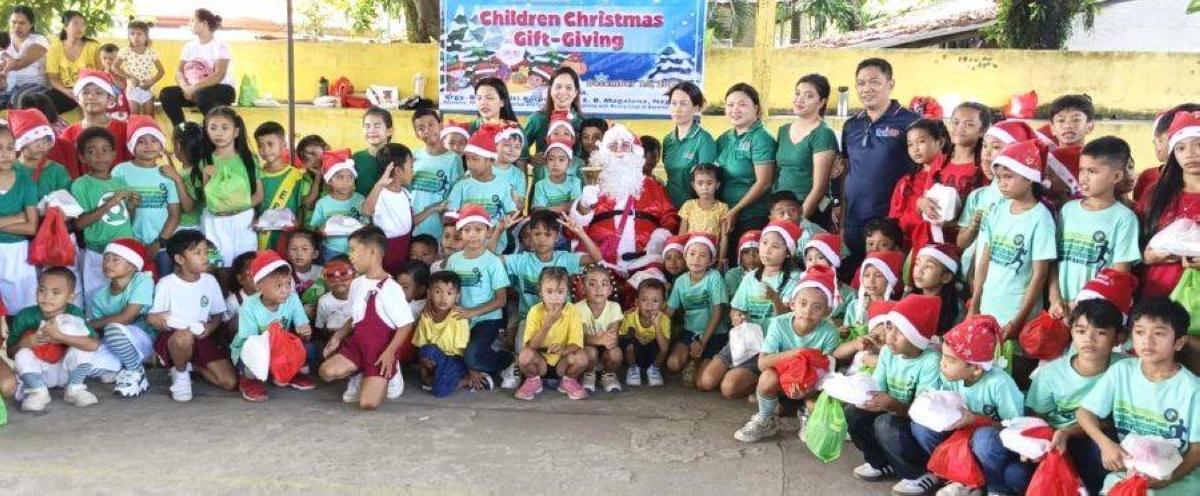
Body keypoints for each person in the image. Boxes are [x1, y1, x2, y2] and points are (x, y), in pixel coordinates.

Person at [1077, 298, 1199, 495]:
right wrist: (1105, 443)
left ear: (1179, 342)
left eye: (1158, 333)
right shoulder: (1121, 372)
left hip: (1179, 476)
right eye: (1140, 332)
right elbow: (1085, 413)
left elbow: (1196, 452)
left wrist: (1168, 478)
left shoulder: (1193, 390)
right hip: (1131, 471)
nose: (1147, 341)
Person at [910, 315, 1028, 496]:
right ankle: (961, 478)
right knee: (921, 427)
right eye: (943, 356)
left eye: (950, 360)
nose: (942, 364)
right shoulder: (949, 376)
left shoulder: (999, 384)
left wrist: (977, 420)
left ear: (976, 368)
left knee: (984, 439)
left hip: (993, 444)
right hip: (962, 438)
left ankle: (996, 488)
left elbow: (1014, 426)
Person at [1025, 297, 1128, 495]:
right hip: (1055, 440)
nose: (1088, 339)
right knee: (1018, 474)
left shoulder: (1125, 369)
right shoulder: (1051, 373)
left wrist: (1070, 432)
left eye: (1100, 332)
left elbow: (1114, 420)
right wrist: (1046, 444)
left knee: (1100, 449)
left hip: (1095, 441)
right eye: (1081, 331)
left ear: (1119, 338)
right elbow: (1038, 417)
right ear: (1071, 331)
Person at [844, 294, 941, 494]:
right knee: (854, 413)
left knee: (884, 423)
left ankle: (920, 473)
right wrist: (866, 398)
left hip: (916, 424)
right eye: (889, 327)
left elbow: (923, 414)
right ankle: (880, 462)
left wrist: (892, 404)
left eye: (901, 331)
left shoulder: (930, 361)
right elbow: (877, 386)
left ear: (917, 336)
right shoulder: (888, 353)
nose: (890, 336)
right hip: (894, 413)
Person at [733, 266, 841, 443]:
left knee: (827, 392)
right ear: (792, 304)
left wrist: (806, 385)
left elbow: (828, 371)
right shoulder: (779, 324)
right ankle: (766, 419)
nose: (807, 311)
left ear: (827, 312)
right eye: (803, 304)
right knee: (767, 377)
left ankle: (806, 413)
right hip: (783, 381)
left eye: (817, 307)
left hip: (811, 384)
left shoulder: (830, 332)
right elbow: (762, 363)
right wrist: (797, 353)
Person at [319, 227, 416, 410]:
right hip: (358, 345)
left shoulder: (391, 288)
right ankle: (359, 372)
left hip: (380, 351)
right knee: (326, 372)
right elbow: (355, 317)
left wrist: (389, 353)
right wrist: (338, 336)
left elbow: (406, 325)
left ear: (372, 251)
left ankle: (392, 374)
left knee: (368, 404)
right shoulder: (357, 284)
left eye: (354, 250)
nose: (351, 256)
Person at [970, 140, 1057, 340]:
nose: (1002, 183)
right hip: (988, 305)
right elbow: (984, 262)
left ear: (1029, 178)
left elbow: (1039, 275)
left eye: (1008, 177)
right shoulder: (998, 211)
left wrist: (1018, 321)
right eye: (999, 177)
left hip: (1017, 312)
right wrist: (975, 303)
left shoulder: (1041, 218)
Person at [840, 58, 920, 272]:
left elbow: (926, 168)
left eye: (874, 82)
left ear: (890, 84)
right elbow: (848, 171)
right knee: (855, 279)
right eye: (861, 83)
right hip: (854, 222)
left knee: (885, 282)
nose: (867, 88)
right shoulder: (852, 125)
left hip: (890, 223)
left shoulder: (910, 122)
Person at [1048, 136, 1141, 318]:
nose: (1083, 177)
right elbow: (1053, 260)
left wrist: (1079, 303)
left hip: (1097, 313)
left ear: (1116, 176)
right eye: (1081, 170)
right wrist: (1054, 298)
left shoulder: (1125, 219)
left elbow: (1119, 275)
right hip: (1061, 310)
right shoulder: (1068, 210)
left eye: (1092, 171)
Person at [569, 124, 679, 275]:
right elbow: (574, 231)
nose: (619, 150)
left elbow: (669, 216)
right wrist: (584, 205)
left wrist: (661, 235)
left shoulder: (653, 186)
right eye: (613, 146)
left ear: (635, 152)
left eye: (625, 145)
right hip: (599, 261)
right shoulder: (594, 184)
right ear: (604, 153)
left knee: (651, 288)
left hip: (645, 262)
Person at [145, 230, 238, 402]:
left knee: (229, 382)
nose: (204, 257)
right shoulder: (167, 284)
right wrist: (155, 319)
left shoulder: (209, 281)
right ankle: (181, 377)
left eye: (205, 252)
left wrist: (210, 328)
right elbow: (152, 316)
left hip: (201, 336)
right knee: (183, 337)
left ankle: (190, 364)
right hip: (174, 337)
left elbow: (217, 315)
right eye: (197, 253)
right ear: (179, 259)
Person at [956, 120, 1037, 286]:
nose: (986, 153)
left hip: (1003, 283)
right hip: (970, 278)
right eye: (985, 146)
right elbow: (962, 243)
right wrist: (972, 228)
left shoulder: (1023, 201)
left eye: (996, 147)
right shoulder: (980, 195)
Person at [7, 267, 98, 411]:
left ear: (70, 297)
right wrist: (25, 343)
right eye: (42, 290)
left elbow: (93, 345)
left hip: (66, 372)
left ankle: (74, 389)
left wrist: (60, 336)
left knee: (83, 346)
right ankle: (38, 393)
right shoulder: (26, 315)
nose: (47, 297)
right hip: (39, 374)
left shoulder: (75, 313)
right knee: (22, 353)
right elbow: (10, 352)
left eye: (56, 293)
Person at [231, 251, 315, 402]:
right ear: (259, 287)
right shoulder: (249, 306)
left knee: (308, 348)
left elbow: (304, 332)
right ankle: (249, 380)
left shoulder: (293, 300)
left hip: (281, 347)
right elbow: (250, 343)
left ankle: (288, 374)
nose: (285, 290)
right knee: (250, 356)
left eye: (288, 283)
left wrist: (304, 331)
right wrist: (269, 332)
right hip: (255, 348)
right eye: (278, 285)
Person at [444, 204, 511, 390]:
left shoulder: (493, 262)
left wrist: (472, 312)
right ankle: (475, 368)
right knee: (448, 349)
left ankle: (509, 360)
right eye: (467, 230)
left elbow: (501, 300)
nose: (472, 234)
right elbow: (447, 290)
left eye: (478, 229)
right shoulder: (454, 260)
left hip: (487, 319)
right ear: (461, 233)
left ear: (488, 232)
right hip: (460, 318)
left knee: (472, 355)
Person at [1138, 110, 1200, 299]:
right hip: (1158, 301)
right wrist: (1146, 257)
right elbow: (1134, 243)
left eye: (1198, 145)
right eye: (1180, 148)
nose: (1189, 154)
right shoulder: (1154, 193)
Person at [71, 127, 135, 308]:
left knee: (122, 298)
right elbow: (79, 223)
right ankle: (96, 333)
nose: (100, 155)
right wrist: (109, 204)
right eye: (92, 151)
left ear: (114, 154)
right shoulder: (81, 185)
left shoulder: (120, 182)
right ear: (82, 157)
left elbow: (126, 218)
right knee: (96, 298)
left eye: (105, 150)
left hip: (124, 252)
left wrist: (132, 206)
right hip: (98, 253)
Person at [716, 83, 776, 263]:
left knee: (748, 267)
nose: (735, 109)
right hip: (726, 215)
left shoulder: (761, 138)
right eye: (730, 105)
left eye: (742, 104)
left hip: (752, 216)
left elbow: (764, 182)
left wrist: (736, 210)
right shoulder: (724, 138)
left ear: (756, 108)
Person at [195, 106, 261, 268]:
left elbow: (259, 195)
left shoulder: (249, 160)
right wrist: (205, 175)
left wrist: (237, 209)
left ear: (236, 132)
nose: (219, 133)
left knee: (246, 267)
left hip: (243, 221)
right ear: (206, 131)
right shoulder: (204, 161)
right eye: (213, 128)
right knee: (215, 266)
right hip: (214, 223)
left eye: (225, 128)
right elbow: (207, 199)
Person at [112, 115, 179, 268]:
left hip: (162, 245)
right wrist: (130, 207)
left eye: (154, 141)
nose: (148, 146)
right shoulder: (121, 171)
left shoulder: (166, 173)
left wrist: (160, 242)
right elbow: (115, 209)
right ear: (131, 146)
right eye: (141, 141)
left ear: (162, 145)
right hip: (130, 242)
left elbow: (174, 215)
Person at [515, 267, 590, 400]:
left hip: (563, 362)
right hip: (540, 363)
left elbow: (577, 343)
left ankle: (569, 380)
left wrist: (564, 349)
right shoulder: (534, 311)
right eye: (549, 292)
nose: (555, 297)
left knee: (582, 357)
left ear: (567, 292)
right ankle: (533, 381)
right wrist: (547, 325)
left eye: (560, 292)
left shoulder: (572, 311)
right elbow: (531, 346)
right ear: (540, 292)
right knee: (524, 356)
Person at [775, 74, 838, 230]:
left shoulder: (823, 134)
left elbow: (819, 188)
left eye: (809, 96)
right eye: (797, 93)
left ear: (821, 102)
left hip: (810, 209)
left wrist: (799, 221)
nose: (800, 99)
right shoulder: (783, 131)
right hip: (781, 208)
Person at [664, 234, 728, 388]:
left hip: (714, 334)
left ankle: (700, 362)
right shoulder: (680, 281)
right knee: (673, 364)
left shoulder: (714, 277)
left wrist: (702, 342)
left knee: (701, 383)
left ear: (711, 260)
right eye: (692, 254)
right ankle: (693, 360)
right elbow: (669, 311)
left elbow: (718, 313)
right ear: (685, 256)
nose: (696, 259)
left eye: (703, 255)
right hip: (691, 331)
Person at [447, 123, 519, 253]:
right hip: (466, 248)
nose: (470, 164)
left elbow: (511, 212)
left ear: (491, 161)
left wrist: (507, 221)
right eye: (468, 159)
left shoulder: (504, 185)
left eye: (475, 159)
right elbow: (450, 215)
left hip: (495, 246)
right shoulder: (462, 185)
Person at [159, 9, 235, 127]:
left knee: (202, 95)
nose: (189, 24)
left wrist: (194, 88)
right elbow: (179, 72)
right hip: (194, 91)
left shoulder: (221, 45)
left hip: (222, 90)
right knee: (167, 94)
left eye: (193, 20)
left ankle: (213, 130)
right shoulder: (189, 46)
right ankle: (182, 130)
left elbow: (219, 75)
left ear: (204, 23)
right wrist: (185, 88)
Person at [890, 118, 950, 261]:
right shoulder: (906, 183)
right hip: (913, 255)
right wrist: (917, 208)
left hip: (945, 255)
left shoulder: (952, 177)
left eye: (921, 141)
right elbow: (894, 225)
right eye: (910, 144)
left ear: (940, 142)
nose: (915, 148)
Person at [254, 121, 316, 251]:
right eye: (260, 145)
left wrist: (297, 224)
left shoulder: (296, 176)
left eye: (270, 144)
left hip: (288, 238)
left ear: (284, 145)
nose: (265, 150)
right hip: (262, 237)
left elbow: (301, 206)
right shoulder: (256, 174)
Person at [730, 220, 802, 331]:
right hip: (752, 339)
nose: (767, 250)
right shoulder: (751, 277)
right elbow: (737, 308)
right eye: (764, 243)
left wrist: (775, 299)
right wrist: (737, 317)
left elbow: (790, 318)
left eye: (775, 246)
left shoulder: (795, 278)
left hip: (778, 343)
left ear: (787, 253)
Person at [56, 68, 130, 176]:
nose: (91, 97)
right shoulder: (68, 135)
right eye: (85, 92)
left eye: (99, 92)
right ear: (78, 99)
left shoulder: (126, 130)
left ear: (110, 99)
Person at [363, 143, 423, 274]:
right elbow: (366, 211)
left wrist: (433, 209)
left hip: (405, 248)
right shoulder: (380, 194)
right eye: (411, 167)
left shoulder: (405, 193)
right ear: (398, 171)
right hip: (387, 254)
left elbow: (410, 223)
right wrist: (379, 185)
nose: (413, 171)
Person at [415, 271, 470, 397]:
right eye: (438, 292)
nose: (443, 298)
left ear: (457, 297)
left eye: (449, 293)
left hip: (455, 360)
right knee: (427, 350)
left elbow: (464, 350)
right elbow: (420, 347)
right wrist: (423, 375)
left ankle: (466, 380)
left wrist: (472, 371)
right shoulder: (426, 316)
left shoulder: (459, 317)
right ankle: (440, 377)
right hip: (436, 357)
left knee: (439, 391)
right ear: (429, 294)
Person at [662, 81, 718, 208]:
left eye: (683, 103)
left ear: (696, 107)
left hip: (693, 211)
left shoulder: (704, 140)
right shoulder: (667, 140)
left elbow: (707, 184)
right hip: (668, 208)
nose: (677, 109)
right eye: (673, 103)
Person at [410, 108, 461, 240]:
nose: (427, 130)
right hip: (413, 224)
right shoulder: (413, 156)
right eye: (421, 128)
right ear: (416, 134)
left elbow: (455, 194)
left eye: (431, 124)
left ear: (441, 126)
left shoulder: (453, 159)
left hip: (438, 227)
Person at [575, 265, 624, 393]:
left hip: (607, 347)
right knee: (589, 352)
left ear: (610, 289)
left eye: (604, 284)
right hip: (588, 346)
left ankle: (607, 374)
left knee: (616, 354)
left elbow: (613, 336)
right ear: (583, 289)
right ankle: (588, 373)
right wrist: (600, 340)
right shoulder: (578, 308)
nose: (598, 289)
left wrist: (604, 339)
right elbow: (581, 337)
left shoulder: (614, 307)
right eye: (592, 284)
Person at [309, 149, 365, 260]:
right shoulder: (323, 203)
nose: (346, 182)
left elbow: (366, 223)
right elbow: (316, 228)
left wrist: (363, 227)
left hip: (356, 251)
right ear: (329, 181)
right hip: (330, 251)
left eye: (350, 177)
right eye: (340, 177)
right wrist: (321, 230)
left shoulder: (360, 199)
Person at [523, 66, 583, 166]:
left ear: (576, 92)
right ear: (550, 89)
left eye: (569, 88)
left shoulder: (582, 122)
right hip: (542, 178)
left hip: (574, 179)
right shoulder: (536, 119)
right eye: (558, 87)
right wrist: (530, 158)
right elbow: (520, 150)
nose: (563, 92)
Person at [44, 10, 100, 113]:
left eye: (83, 24)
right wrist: (67, 91)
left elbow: (103, 73)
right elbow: (52, 78)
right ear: (65, 27)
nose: (80, 28)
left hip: (89, 89)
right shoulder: (55, 48)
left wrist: (86, 91)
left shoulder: (94, 47)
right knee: (40, 103)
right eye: (75, 24)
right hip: (65, 90)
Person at [9, 107, 69, 200]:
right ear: (21, 142)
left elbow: (68, 206)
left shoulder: (58, 172)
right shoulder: (8, 170)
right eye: (35, 140)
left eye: (47, 140)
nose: (42, 146)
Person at [621, 278, 671, 387]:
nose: (649, 305)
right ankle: (633, 369)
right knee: (627, 342)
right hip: (636, 354)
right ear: (636, 302)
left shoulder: (664, 320)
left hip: (652, 355)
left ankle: (654, 369)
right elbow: (622, 337)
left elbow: (665, 347)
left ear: (663, 305)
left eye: (655, 301)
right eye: (644, 300)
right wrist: (635, 334)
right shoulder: (630, 317)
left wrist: (657, 324)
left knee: (663, 344)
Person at [0, 7, 50, 109]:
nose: (17, 26)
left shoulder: (39, 40)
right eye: (14, 22)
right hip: (10, 87)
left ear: (31, 24)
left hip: (35, 85)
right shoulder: (6, 40)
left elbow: (22, 63)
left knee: (18, 99)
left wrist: (5, 64)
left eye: (22, 23)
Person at [911, 244, 964, 335]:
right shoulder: (910, 299)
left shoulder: (956, 308)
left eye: (928, 266)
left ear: (946, 277)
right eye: (917, 264)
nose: (919, 271)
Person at [677, 164, 730, 256]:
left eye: (709, 183)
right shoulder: (688, 206)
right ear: (694, 185)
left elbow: (724, 237)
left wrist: (721, 259)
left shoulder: (723, 208)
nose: (705, 188)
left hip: (712, 255)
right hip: (691, 255)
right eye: (700, 183)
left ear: (717, 185)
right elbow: (682, 235)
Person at [114, 20, 163, 117]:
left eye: (139, 34)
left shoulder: (151, 53)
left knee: (149, 117)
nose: (136, 37)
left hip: (148, 90)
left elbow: (161, 71)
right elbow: (115, 67)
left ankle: (149, 131)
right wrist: (130, 77)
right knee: (133, 116)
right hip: (132, 90)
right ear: (129, 37)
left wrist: (152, 81)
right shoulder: (126, 51)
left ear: (146, 37)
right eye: (132, 34)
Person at [530, 137, 582, 212]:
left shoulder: (575, 182)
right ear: (546, 162)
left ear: (569, 163)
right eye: (551, 159)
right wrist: (564, 207)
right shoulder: (540, 185)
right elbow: (538, 210)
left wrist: (548, 210)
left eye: (561, 160)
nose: (556, 164)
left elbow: (576, 204)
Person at [351, 107, 393, 196]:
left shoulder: (398, 157)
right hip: (362, 207)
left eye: (377, 126)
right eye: (367, 126)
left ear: (389, 131)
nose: (371, 130)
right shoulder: (356, 158)